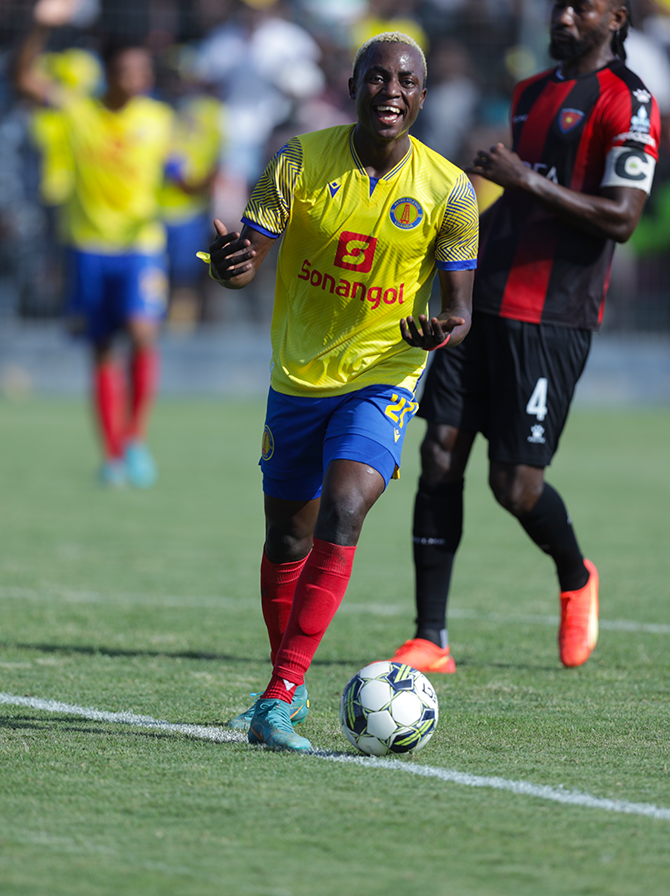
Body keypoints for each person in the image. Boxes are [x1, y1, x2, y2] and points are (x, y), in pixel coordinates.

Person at [207, 32, 478, 751]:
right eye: (378, 77)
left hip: (384, 373)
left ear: (422, 95)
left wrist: (439, 332)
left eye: (408, 81)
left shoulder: (449, 191)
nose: (393, 90)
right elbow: (245, 261)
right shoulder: (298, 161)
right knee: (287, 535)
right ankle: (284, 687)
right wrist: (228, 266)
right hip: (297, 377)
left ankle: (278, 693)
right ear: (353, 83)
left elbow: (461, 311)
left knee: (348, 503)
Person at [387, 0, 659, 675]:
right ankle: (431, 637)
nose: (563, 16)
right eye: (557, 5)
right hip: (479, 302)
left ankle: (575, 575)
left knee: (515, 485)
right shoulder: (530, 92)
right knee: (440, 452)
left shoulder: (630, 101)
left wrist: (523, 180)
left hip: (551, 315)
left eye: (582, 7)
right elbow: (508, 196)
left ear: (616, 18)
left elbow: (622, 219)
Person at [15, 0, 173, 488]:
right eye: (128, 69)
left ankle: (135, 438)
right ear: (110, 73)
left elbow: (181, 174)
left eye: (143, 69)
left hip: (141, 245)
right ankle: (111, 455)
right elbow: (23, 80)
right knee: (103, 350)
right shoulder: (79, 111)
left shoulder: (160, 119)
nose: (138, 77)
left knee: (143, 333)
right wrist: (39, 28)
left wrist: (194, 182)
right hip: (88, 247)